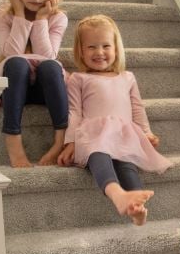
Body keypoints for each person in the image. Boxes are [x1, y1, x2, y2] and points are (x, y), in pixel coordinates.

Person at [57, 14, 171, 226]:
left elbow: (137, 107)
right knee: (99, 156)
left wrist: (146, 132)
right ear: (80, 51)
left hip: (123, 133)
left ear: (116, 48)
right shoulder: (78, 79)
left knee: (127, 164)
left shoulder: (127, 77)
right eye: (91, 47)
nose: (99, 52)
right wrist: (70, 142)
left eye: (105, 46)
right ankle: (117, 194)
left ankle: (136, 207)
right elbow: (74, 112)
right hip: (94, 134)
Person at [0, 0, 69, 167]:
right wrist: (19, 14)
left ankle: (59, 142)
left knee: (51, 67)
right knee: (17, 63)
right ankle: (14, 144)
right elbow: (10, 54)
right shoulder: (1, 14)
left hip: (46, 88)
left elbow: (47, 56)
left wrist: (41, 19)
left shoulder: (58, 18)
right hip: (14, 88)